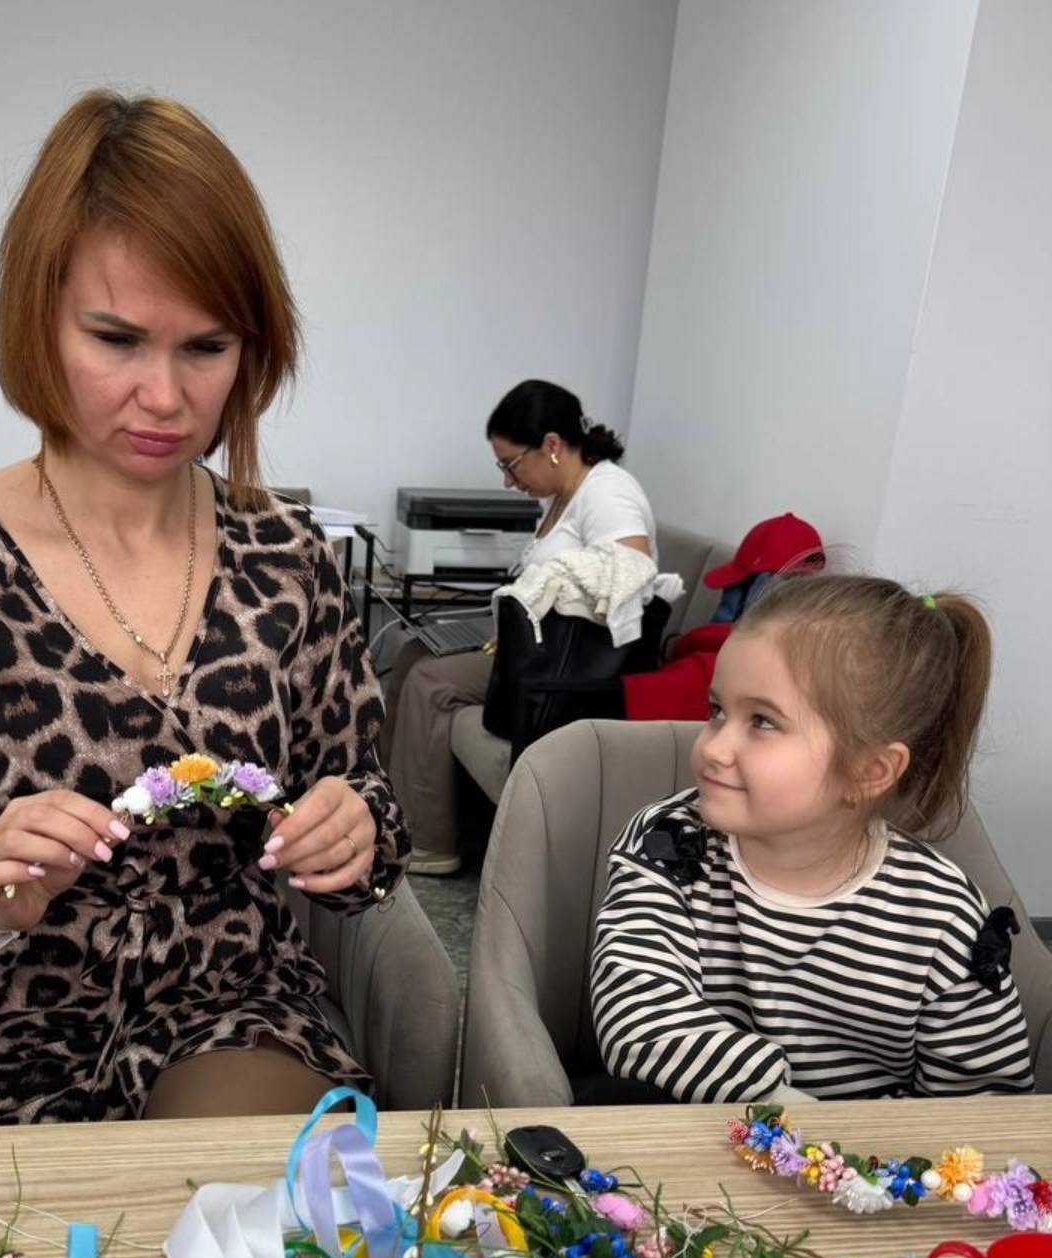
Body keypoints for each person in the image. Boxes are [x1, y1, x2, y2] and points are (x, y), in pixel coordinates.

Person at [0, 91, 409, 1128]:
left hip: (232, 1007)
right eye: (117, 339)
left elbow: (364, 800)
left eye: (206, 348)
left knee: (252, 1210)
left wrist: (354, 831)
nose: (166, 398)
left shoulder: (288, 561)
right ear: (38, 320)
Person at [590, 576, 1033, 1102]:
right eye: (716, 711)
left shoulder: (941, 916)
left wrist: (843, 1147)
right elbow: (639, 1015)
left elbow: (983, 1102)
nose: (713, 748)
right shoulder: (668, 846)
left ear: (869, 771)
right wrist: (783, 1111)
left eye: (762, 722)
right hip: (700, 1135)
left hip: (877, 1154)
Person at [387, 379, 657, 874]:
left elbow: (631, 572)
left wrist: (548, 590)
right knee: (411, 653)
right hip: (535, 646)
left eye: (511, 465)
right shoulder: (563, 497)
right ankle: (389, 809)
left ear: (552, 444)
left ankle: (428, 843)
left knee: (431, 682)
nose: (509, 483)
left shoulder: (608, 492)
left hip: (568, 667)